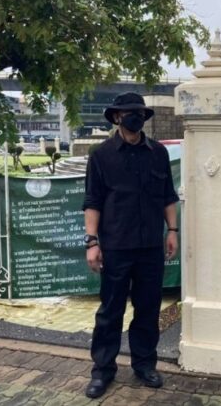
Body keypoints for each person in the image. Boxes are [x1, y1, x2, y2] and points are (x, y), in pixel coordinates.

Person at [82, 92, 179, 399]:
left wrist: (173, 230)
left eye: (140, 112)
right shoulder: (101, 155)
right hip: (116, 246)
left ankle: (144, 365)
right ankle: (103, 371)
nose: (135, 117)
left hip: (150, 247)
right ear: (117, 117)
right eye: (129, 112)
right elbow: (92, 201)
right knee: (110, 311)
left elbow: (168, 195)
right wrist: (92, 242)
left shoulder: (158, 153)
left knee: (148, 309)